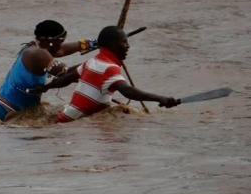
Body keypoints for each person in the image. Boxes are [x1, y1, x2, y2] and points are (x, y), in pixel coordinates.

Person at [30, 25, 178, 123]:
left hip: (62, 120)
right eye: (124, 42)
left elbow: (67, 78)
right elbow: (127, 91)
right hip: (70, 125)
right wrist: (160, 98)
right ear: (114, 46)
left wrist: (46, 88)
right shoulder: (109, 68)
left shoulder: (92, 62)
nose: (128, 46)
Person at [0, 20, 98, 121]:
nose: (61, 44)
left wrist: (94, 42)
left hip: (13, 111)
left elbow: (62, 50)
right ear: (45, 39)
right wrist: (99, 62)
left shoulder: (37, 48)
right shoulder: (37, 54)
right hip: (4, 113)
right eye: (60, 40)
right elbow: (66, 73)